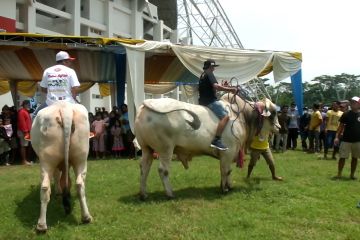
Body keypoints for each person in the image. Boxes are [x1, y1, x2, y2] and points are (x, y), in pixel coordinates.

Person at [198, 59, 237, 150]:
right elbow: (216, 87)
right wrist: (230, 90)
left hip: (202, 101)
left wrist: (226, 86)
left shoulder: (202, 75)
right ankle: (217, 139)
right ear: (209, 67)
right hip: (210, 101)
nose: (214, 69)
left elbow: (211, 88)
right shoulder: (210, 74)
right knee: (226, 116)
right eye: (213, 67)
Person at [33, 50, 80, 118]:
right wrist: (74, 98)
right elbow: (75, 88)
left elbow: (43, 89)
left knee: (35, 116)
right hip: (68, 102)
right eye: (69, 61)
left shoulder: (47, 71)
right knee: (84, 114)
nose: (70, 63)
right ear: (64, 61)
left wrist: (52, 92)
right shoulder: (70, 71)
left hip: (50, 103)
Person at [334, 96, 360, 179]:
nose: (353, 104)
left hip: (358, 141)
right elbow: (340, 127)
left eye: (355, 102)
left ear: (359, 104)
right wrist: (337, 137)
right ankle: (339, 174)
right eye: (352, 102)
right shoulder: (346, 114)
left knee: (355, 158)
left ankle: (352, 175)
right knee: (342, 157)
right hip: (346, 140)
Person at [17, 100, 32, 165]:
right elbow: (22, 122)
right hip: (23, 131)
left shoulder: (25, 111)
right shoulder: (22, 112)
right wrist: (26, 131)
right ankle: (24, 160)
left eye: (29, 104)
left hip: (27, 131)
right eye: (28, 104)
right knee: (23, 146)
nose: (29, 106)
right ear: (24, 105)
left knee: (27, 145)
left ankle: (27, 160)